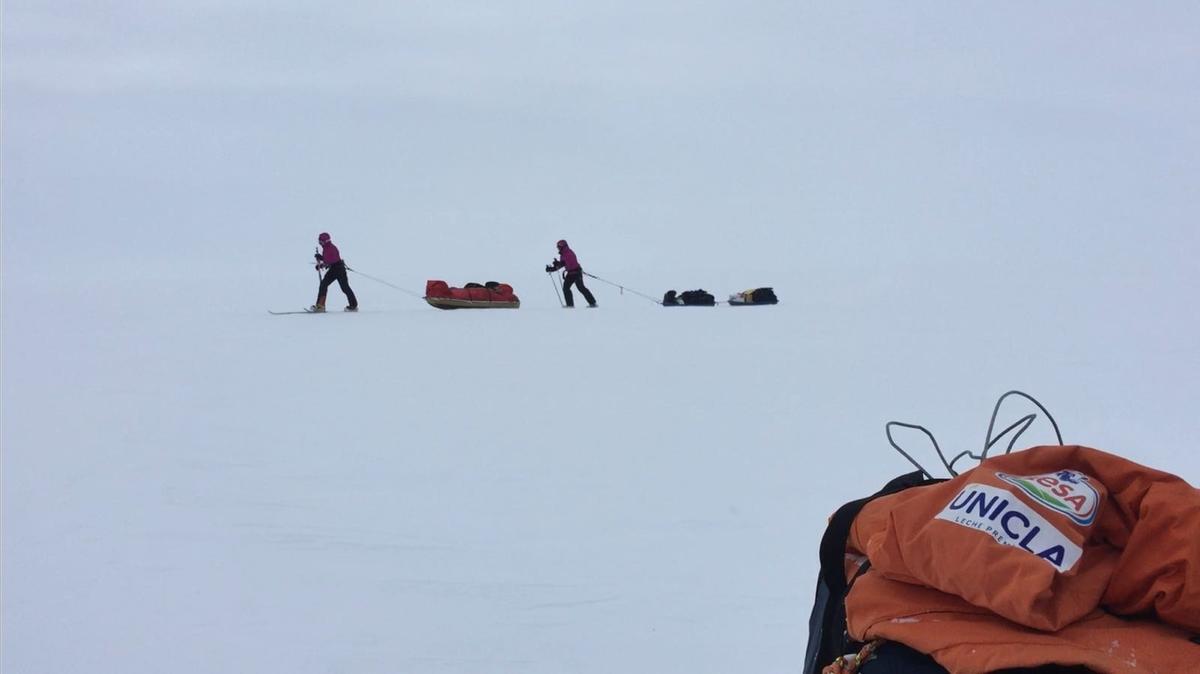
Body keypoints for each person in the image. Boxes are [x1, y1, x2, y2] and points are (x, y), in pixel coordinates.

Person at [311, 232, 358, 312]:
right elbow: (328, 259)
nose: (320, 244)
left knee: (328, 285)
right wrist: (321, 259)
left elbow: (331, 260)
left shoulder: (331, 248)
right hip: (336, 269)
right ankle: (321, 305)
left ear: (326, 241)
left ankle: (320, 306)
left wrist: (321, 263)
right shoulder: (327, 248)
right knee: (339, 287)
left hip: (337, 269)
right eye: (319, 242)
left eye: (321, 242)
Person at [545, 239, 596, 308]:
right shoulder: (563, 254)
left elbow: (565, 263)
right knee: (566, 288)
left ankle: (593, 303)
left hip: (576, 273)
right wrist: (554, 266)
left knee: (581, 288)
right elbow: (563, 263)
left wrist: (556, 265)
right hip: (570, 273)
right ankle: (570, 305)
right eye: (557, 247)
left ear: (563, 246)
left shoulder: (569, 253)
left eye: (559, 247)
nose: (558, 248)